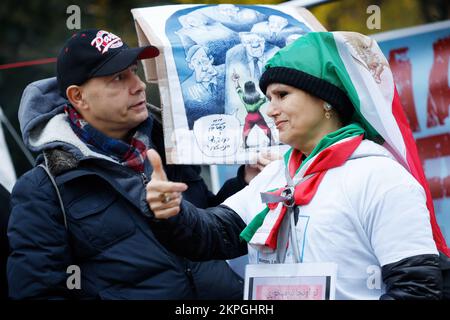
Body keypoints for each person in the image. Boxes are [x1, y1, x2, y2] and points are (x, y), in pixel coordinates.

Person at [146, 31, 449, 300]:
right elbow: (213, 236)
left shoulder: (380, 176)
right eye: (267, 97)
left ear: (326, 100)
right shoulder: (279, 174)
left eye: (282, 95)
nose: (269, 109)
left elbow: (417, 287)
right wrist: (172, 213)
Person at [6, 29, 274, 300]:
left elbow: (207, 222)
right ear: (78, 97)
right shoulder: (44, 188)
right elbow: (37, 291)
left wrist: (245, 183)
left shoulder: (169, 145)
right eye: (119, 77)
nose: (139, 85)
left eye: (134, 71)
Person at [181, 45, 225, 129]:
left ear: (211, 59)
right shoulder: (184, 89)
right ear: (191, 66)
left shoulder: (227, 71)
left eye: (204, 61)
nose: (204, 68)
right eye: (197, 63)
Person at [231, 73, 273, 148]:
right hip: (258, 115)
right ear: (254, 88)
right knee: (265, 128)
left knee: (246, 130)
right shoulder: (259, 100)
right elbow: (267, 97)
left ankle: (244, 144)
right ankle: (270, 141)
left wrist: (236, 81)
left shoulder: (243, 98)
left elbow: (238, 89)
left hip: (249, 117)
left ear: (246, 89)